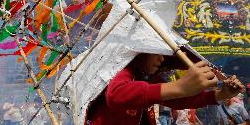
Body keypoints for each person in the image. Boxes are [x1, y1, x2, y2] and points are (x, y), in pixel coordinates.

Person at [86, 53, 244, 125]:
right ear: (142, 50)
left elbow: (180, 99)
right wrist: (179, 86)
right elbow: (116, 95)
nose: (162, 59)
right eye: (158, 52)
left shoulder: (148, 77)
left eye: (165, 54)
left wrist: (221, 94)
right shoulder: (122, 67)